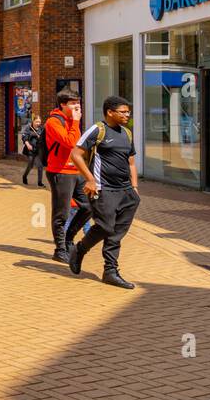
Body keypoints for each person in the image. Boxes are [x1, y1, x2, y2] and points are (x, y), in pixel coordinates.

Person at [68, 96, 140, 289]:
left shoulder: (127, 133)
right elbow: (75, 154)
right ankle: (79, 249)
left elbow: (131, 162)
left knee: (116, 233)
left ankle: (110, 271)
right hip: (103, 188)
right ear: (110, 112)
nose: (127, 115)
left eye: (128, 112)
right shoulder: (97, 130)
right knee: (106, 227)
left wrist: (134, 188)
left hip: (126, 191)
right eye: (123, 112)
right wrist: (90, 179)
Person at [44, 90, 89, 264]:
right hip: (60, 172)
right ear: (62, 104)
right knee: (61, 212)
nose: (77, 106)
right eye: (72, 103)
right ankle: (60, 249)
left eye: (78, 102)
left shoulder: (73, 122)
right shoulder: (53, 122)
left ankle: (69, 238)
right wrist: (76, 122)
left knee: (89, 206)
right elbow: (70, 142)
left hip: (76, 171)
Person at [20, 114, 44, 186]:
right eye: (36, 122)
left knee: (40, 166)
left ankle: (40, 182)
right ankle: (24, 176)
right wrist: (28, 145)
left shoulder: (41, 129)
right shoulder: (28, 128)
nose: (38, 123)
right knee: (30, 165)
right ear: (33, 121)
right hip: (30, 150)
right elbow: (24, 137)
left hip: (38, 150)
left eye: (39, 122)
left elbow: (44, 138)